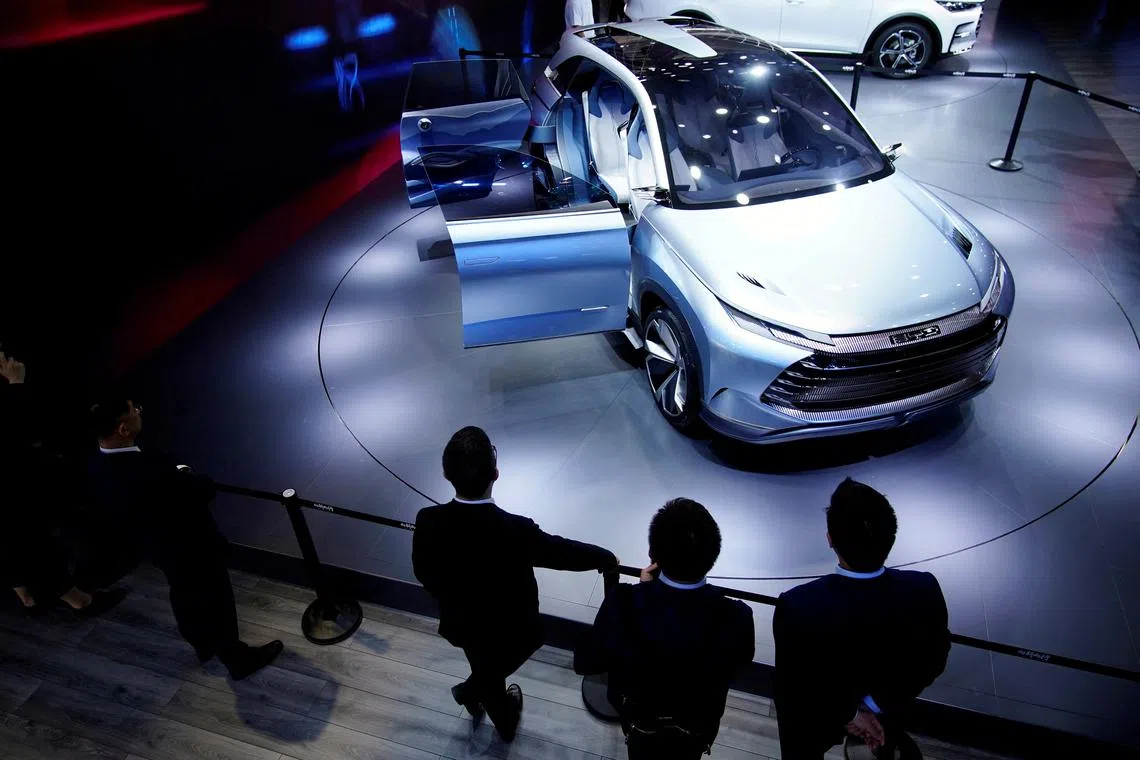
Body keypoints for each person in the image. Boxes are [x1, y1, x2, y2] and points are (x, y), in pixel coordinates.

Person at [412, 426, 619, 742]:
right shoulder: (515, 530)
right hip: (515, 628)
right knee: (492, 670)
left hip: (463, 624)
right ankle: (495, 714)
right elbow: (562, 553)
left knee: (482, 661)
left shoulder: (428, 520)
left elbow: (424, 573)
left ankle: (477, 691)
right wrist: (604, 557)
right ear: (496, 473)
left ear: (445, 473)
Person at [85, 397, 283, 681]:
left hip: (157, 547)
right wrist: (193, 480)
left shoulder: (98, 462)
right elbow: (195, 493)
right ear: (123, 429)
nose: (139, 410)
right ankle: (236, 658)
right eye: (133, 411)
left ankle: (202, 645)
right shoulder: (147, 471)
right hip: (190, 546)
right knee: (216, 600)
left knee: (183, 594)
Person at [773, 478, 951, 760]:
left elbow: (795, 687)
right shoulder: (924, 590)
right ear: (891, 536)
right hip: (888, 711)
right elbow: (933, 659)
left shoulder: (798, 605)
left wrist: (851, 713)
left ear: (830, 539)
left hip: (817, 722)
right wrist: (874, 704)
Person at [575, 498, 755, 760]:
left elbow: (587, 662)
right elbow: (737, 667)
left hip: (640, 722)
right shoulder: (736, 616)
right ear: (713, 555)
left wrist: (646, 591)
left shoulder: (622, 602)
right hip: (697, 725)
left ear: (653, 555)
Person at [0, 349, 123, 616]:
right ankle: (75, 599)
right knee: (29, 534)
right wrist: (17, 384)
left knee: (14, 536)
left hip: (16, 478)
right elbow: (16, 432)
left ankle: (26, 594)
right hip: (15, 479)